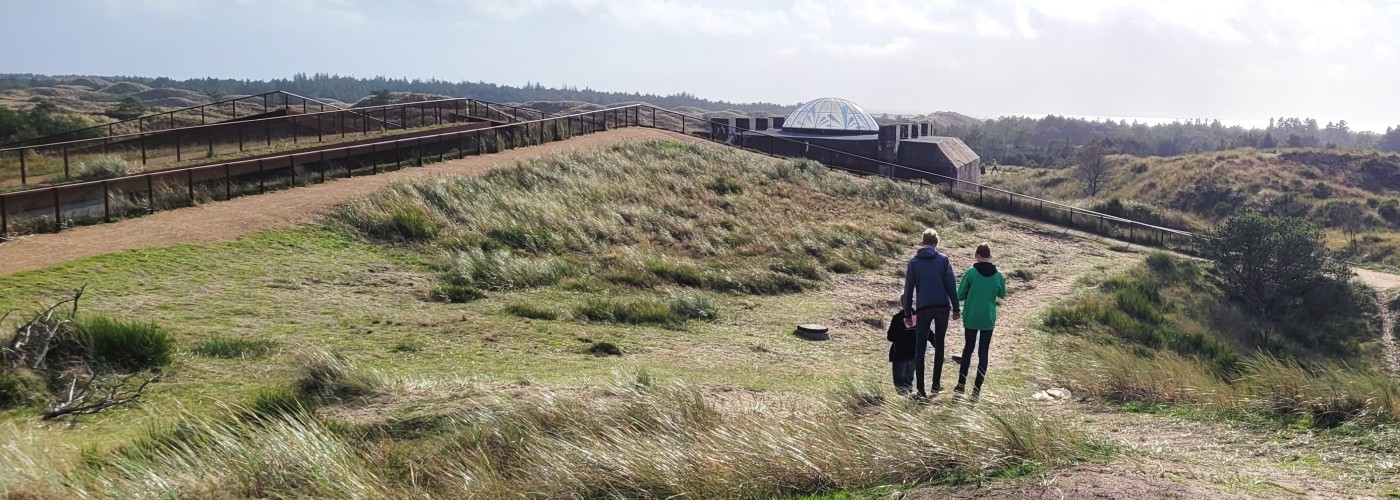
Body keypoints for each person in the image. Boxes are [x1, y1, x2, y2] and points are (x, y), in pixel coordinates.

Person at [901, 228, 960, 398]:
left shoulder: (913, 263)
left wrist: (907, 314)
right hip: (942, 308)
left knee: (920, 347)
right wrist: (956, 308)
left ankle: (920, 389)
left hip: (923, 309)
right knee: (939, 344)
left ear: (922, 242)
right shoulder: (943, 260)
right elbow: (951, 286)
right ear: (935, 243)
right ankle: (936, 384)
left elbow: (908, 290)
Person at [955, 242, 1007, 401]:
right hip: (988, 318)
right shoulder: (998, 275)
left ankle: (961, 385)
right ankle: (977, 390)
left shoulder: (971, 273)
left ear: (977, 255)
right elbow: (1002, 294)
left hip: (971, 316)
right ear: (990, 256)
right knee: (983, 352)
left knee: (968, 349)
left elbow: (960, 295)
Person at [886, 311, 916, 395]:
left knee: (899, 381)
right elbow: (928, 332)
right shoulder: (918, 315)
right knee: (909, 380)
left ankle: (902, 401)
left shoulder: (897, 317)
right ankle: (909, 399)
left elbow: (890, 337)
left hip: (900, 353)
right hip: (914, 353)